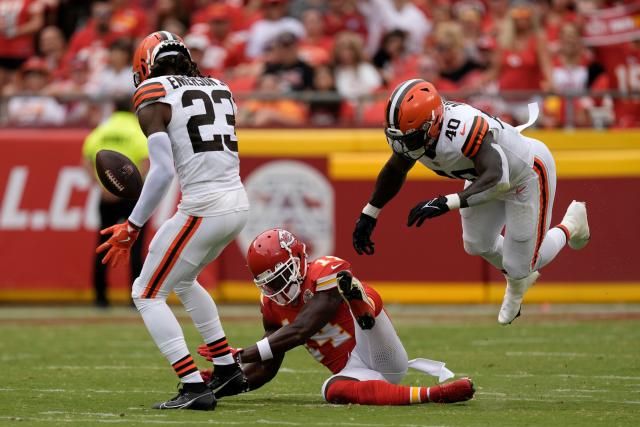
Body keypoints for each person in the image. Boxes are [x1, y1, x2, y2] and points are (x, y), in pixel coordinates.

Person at [351, 79, 591, 325]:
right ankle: (518, 279)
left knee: (521, 266)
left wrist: (446, 202)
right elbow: (395, 169)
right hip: (483, 177)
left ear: (432, 124)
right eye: (397, 137)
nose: (402, 145)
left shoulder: (462, 129)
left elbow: (498, 176)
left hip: (525, 175)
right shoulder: (420, 137)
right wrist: (370, 213)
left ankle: (571, 225)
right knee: (476, 243)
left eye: (409, 137)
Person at [96, 31, 250, 411]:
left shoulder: (153, 92)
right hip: (236, 201)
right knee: (182, 279)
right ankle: (227, 367)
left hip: (204, 206)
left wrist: (131, 225)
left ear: (146, 66)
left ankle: (192, 384)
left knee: (145, 293)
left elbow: (163, 171)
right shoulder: (220, 85)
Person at [197, 228, 475, 405]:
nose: (278, 289)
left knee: (360, 291)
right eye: (270, 284)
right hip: (355, 372)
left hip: (379, 350)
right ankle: (434, 395)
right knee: (331, 390)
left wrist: (239, 355)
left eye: (281, 278)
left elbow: (303, 329)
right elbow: (266, 368)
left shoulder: (324, 272)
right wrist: (225, 381)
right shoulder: (270, 306)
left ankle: (359, 302)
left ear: (298, 260)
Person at [82, 97, 149, 308]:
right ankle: (135, 298)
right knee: (136, 247)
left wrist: (104, 186)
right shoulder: (137, 131)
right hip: (133, 198)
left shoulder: (102, 130)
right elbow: (146, 163)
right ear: (132, 108)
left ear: (112, 107)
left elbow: (86, 160)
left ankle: (100, 298)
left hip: (106, 196)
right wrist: (127, 188)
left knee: (102, 245)